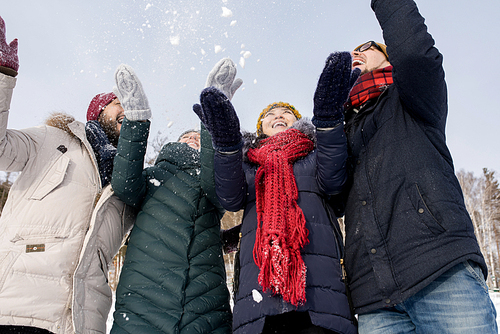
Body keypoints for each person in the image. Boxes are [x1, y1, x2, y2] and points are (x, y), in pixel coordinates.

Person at [340, 0, 498, 333]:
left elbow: (415, 54)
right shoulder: (345, 129)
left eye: (366, 48)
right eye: (350, 53)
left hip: (440, 269)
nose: (356, 53)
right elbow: (332, 192)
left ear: (388, 55)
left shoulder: (412, 97)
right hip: (372, 297)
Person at [194, 52, 359, 334]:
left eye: (286, 113)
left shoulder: (313, 152)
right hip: (259, 303)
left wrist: (329, 123)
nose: (278, 116)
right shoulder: (249, 163)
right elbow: (230, 197)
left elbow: (334, 182)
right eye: (270, 114)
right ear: (261, 128)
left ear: (298, 122)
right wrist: (226, 146)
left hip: (320, 302)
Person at [0, 17, 135, 334]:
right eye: (118, 103)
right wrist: (3, 79)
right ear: (97, 111)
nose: (127, 110)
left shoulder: (129, 181)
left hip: (82, 319)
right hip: (16, 307)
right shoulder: (51, 139)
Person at [110, 59, 242, 334]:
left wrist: (213, 118)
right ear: (175, 145)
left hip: (206, 307)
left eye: (199, 138)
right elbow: (124, 186)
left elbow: (216, 182)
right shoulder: (154, 176)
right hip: (143, 305)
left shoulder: (215, 181)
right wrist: (136, 119)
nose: (194, 141)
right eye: (188, 138)